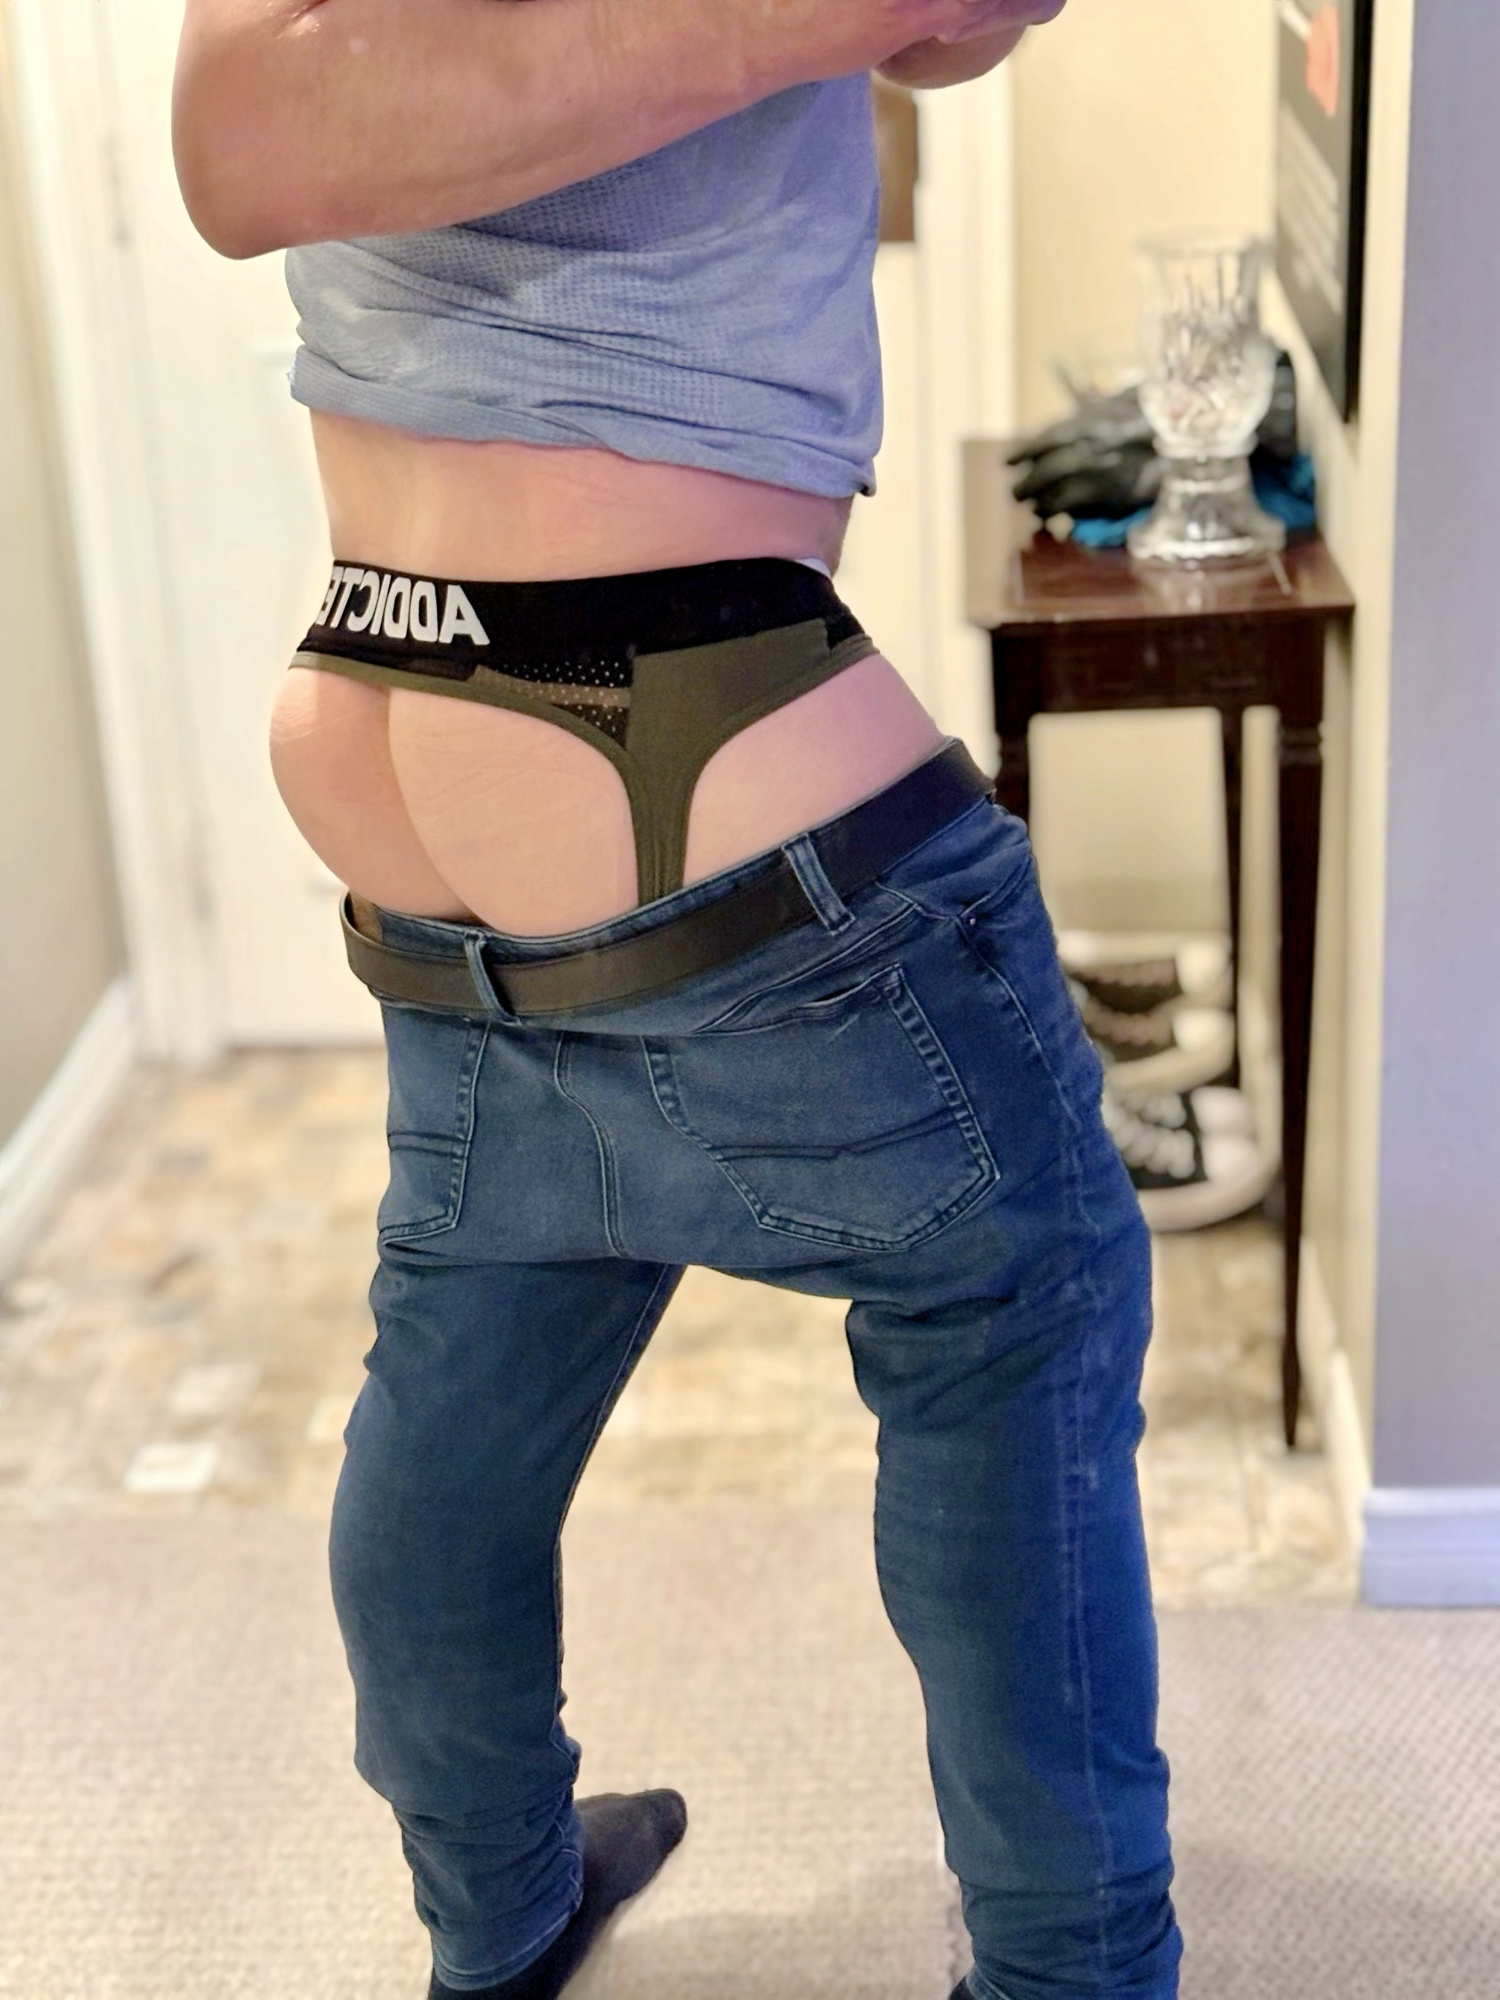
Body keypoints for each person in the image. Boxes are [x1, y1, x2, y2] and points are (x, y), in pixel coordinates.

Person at [173, 3, 1182, 1996]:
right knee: (1022, 1301)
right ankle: (1078, 1971)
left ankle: (501, 1910)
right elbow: (239, 136)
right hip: (664, 700)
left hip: (392, 686)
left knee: (463, 1347)